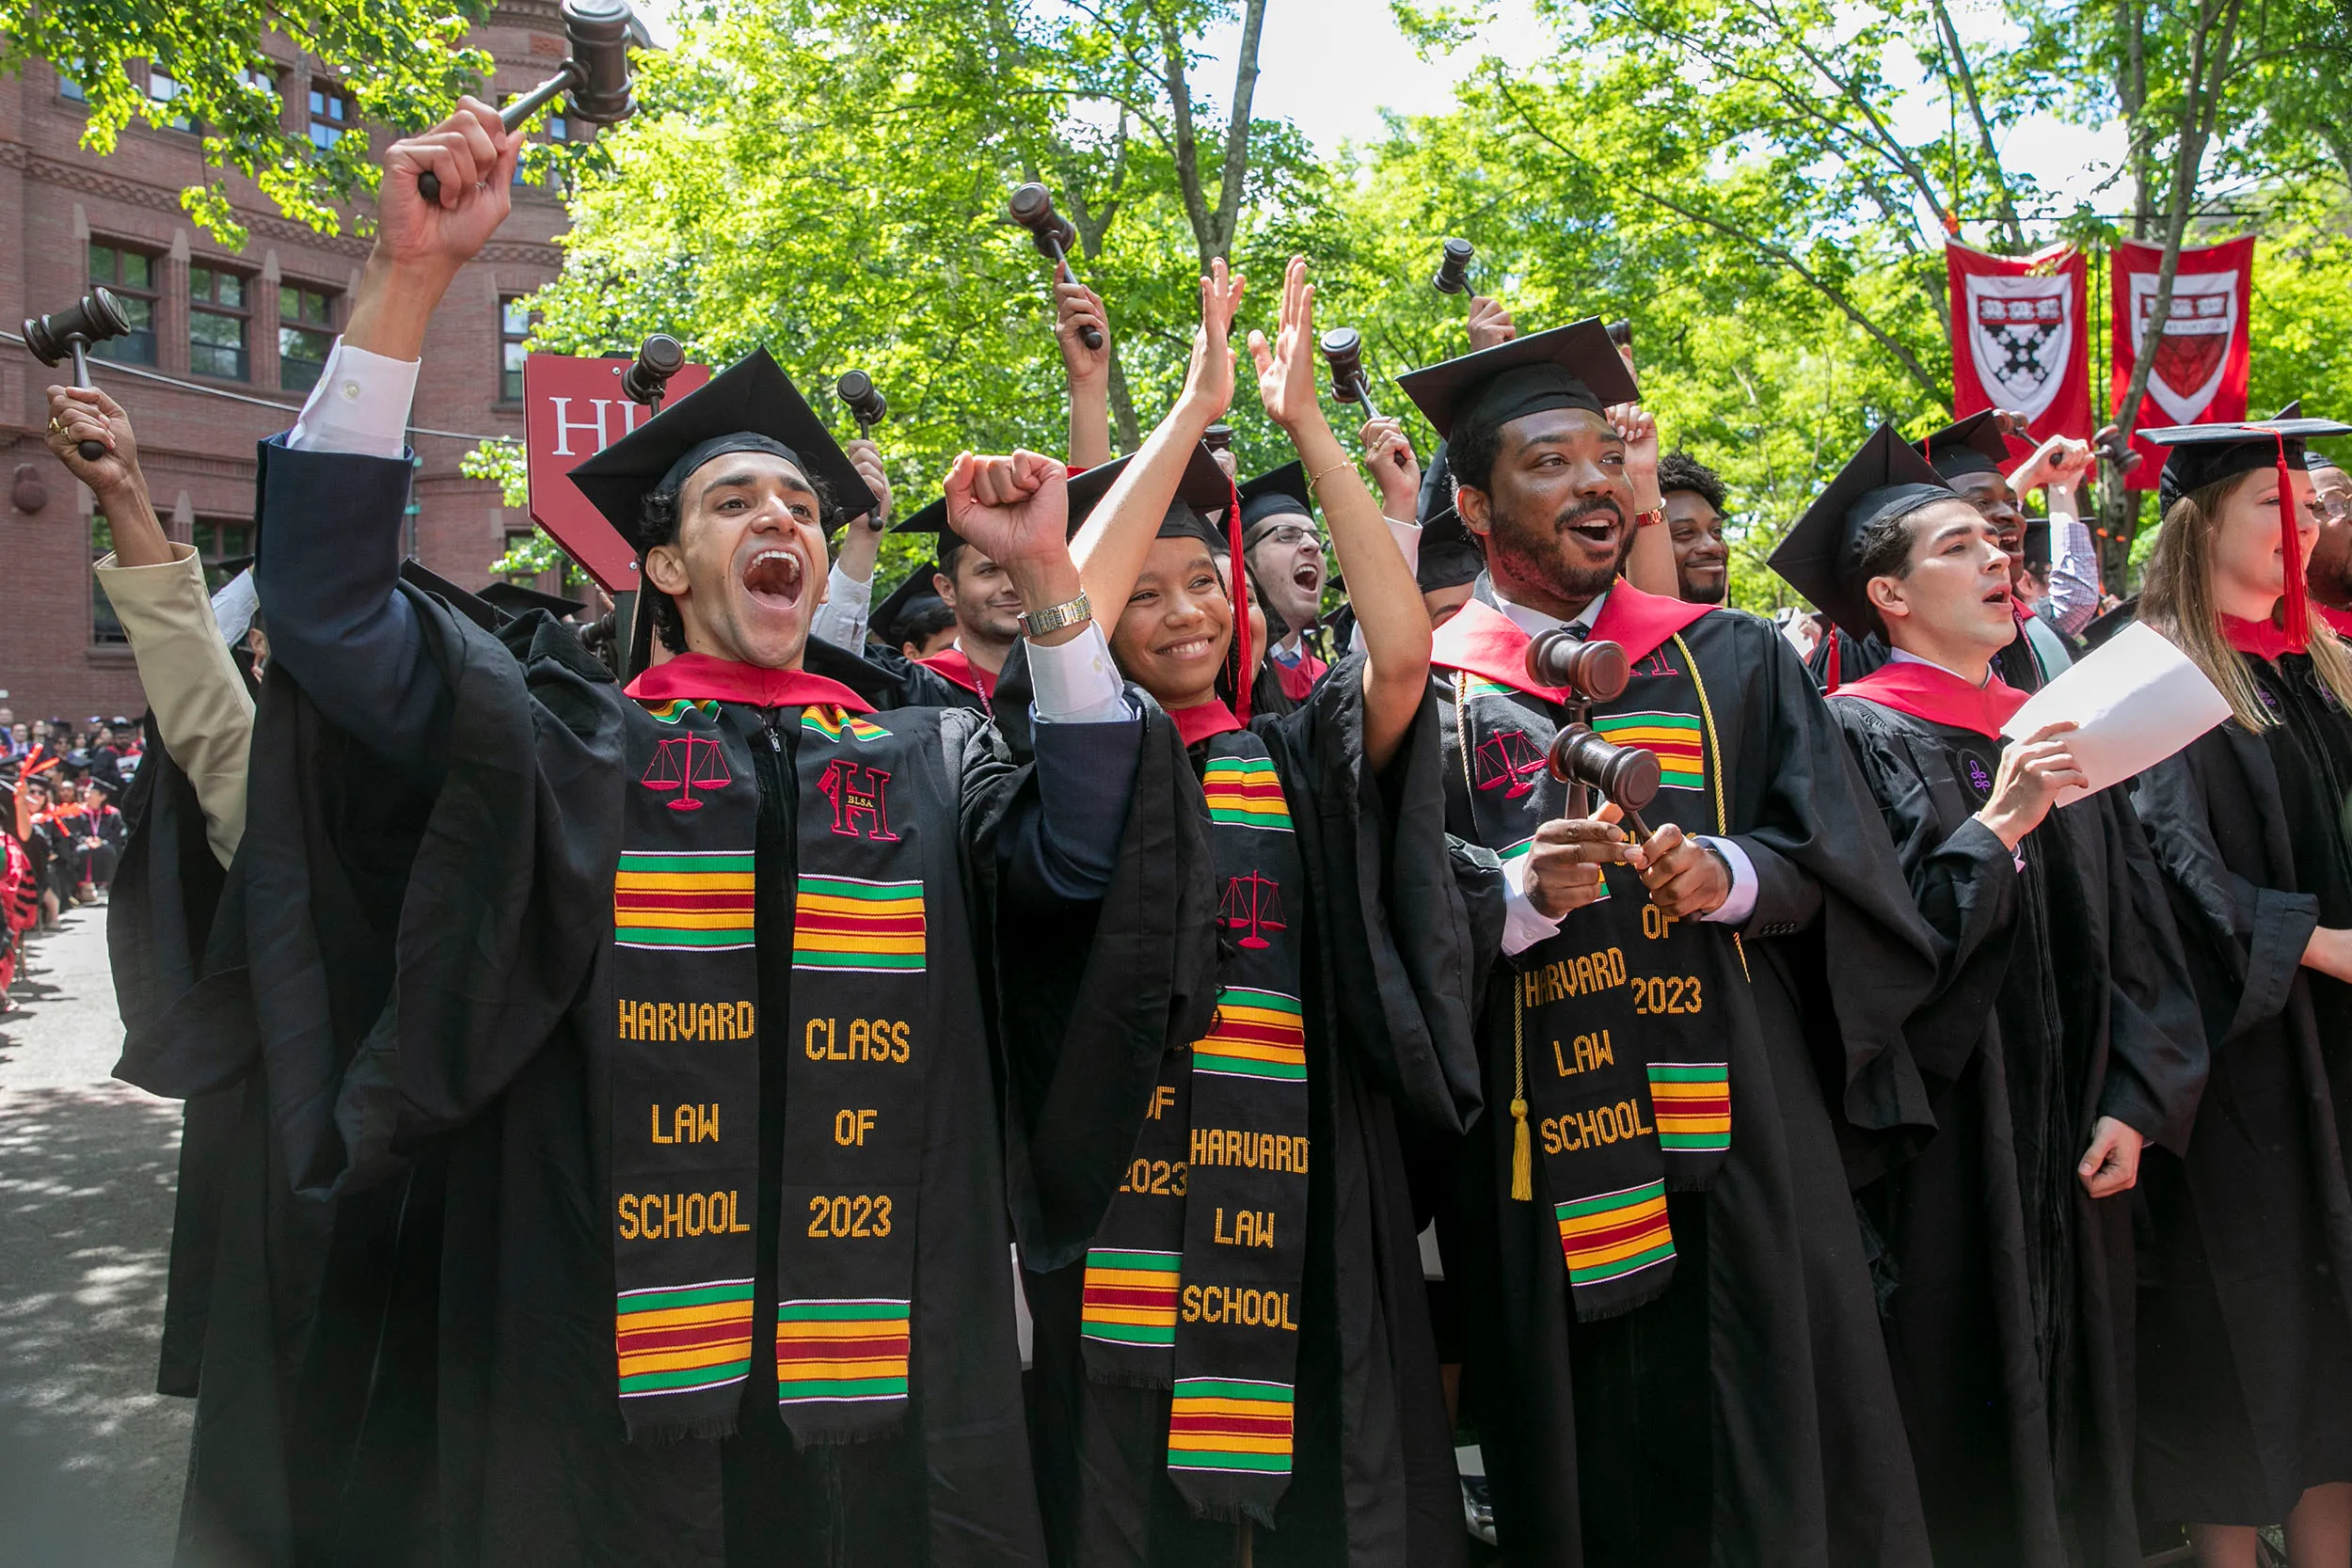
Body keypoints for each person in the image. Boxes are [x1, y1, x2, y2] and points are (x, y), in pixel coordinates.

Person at [119, 102, 1214, 1565]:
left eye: (803, 504)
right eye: (734, 496)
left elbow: (1089, 847)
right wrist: (407, 283)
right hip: (600, 1349)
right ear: (663, 559)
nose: (785, 515)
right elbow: (327, 613)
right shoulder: (566, 740)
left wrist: (1050, 579)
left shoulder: (921, 753)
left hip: (885, 1368)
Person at [1403, 317, 1942, 1563]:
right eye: (1550, 462)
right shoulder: (1424, 687)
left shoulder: (1732, 654)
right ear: (1476, 508)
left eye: (1603, 456)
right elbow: (1391, 908)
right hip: (1542, 1157)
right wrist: (1516, 897)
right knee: (1585, 1465)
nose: (1594, 480)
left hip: (1746, 1129)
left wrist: (1735, 873)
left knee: (1774, 1438)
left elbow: (1842, 862)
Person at [1019, 255, 1486, 1568]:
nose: (1182, 611)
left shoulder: (1292, 748)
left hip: (1303, 1167)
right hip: (1127, 1169)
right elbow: (1066, 620)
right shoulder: (1077, 753)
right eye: (1147, 593)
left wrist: (1305, 427)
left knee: (1326, 1478)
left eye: (1203, 583)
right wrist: (1182, 408)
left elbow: (1401, 656)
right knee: (1127, 1484)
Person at [1773, 423, 2205, 1567]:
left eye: (1997, 543)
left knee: (2085, 1429)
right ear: (1889, 596)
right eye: (1959, 545)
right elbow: (1868, 960)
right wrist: (1995, 825)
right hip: (1950, 1148)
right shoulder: (1847, 735)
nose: (1997, 560)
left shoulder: (2054, 727)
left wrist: (2135, 1093)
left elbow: (2138, 931)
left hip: (2079, 1138)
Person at [2123, 415, 2352, 1568]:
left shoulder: (2323, 665)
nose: (2304, 523)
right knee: (2242, 1328)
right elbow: (2165, 868)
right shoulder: (2157, 672)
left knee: (2334, 1348)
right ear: (2201, 519)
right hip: (2240, 1059)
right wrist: (2316, 944)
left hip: (2340, 1058)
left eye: (2311, 507)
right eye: (2276, 505)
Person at [1657, 450, 1730, 604]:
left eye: (1716, 531)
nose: (1713, 546)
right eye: (1685, 533)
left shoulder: (1749, 627)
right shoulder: (1600, 626)